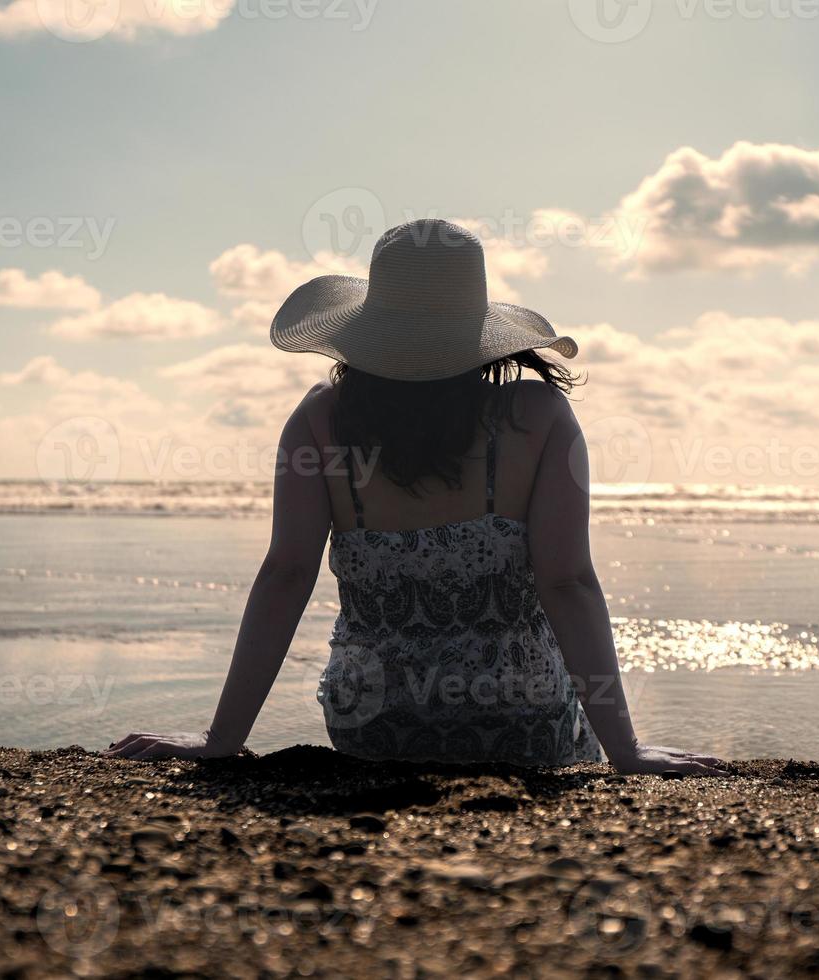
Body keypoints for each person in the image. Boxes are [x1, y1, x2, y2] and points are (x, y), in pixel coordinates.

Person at [108, 219, 729, 775]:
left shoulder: (321, 420)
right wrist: (626, 751)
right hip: (521, 722)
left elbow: (286, 575)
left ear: (370, 327)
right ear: (480, 330)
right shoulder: (538, 416)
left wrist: (221, 740)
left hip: (374, 723)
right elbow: (567, 583)